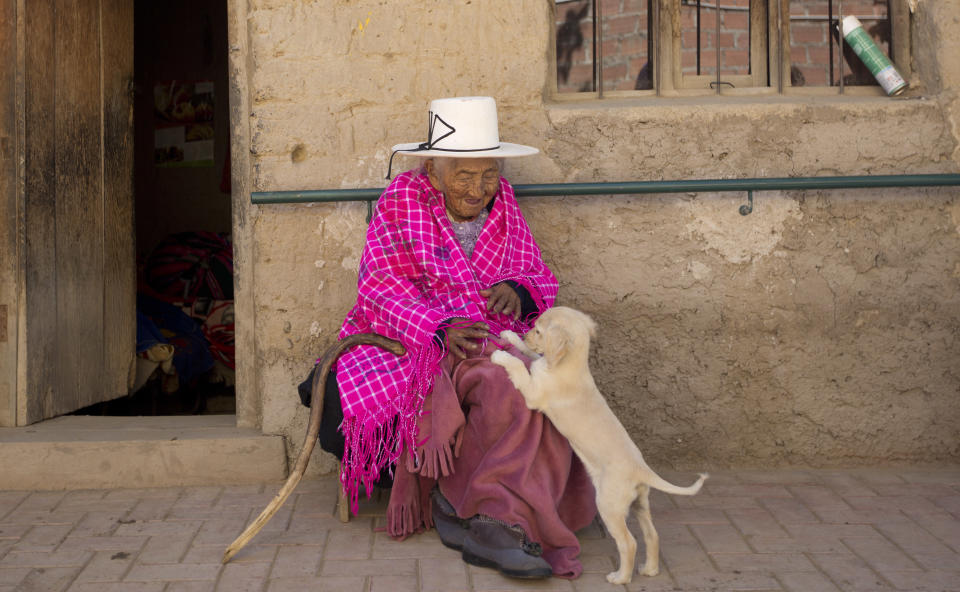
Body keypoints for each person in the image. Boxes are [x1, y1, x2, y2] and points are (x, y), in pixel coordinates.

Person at [326, 96, 596, 579]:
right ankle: (492, 516)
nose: (478, 190)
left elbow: (537, 272)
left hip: (491, 334)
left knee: (548, 381)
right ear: (433, 168)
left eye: (488, 174)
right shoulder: (401, 201)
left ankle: (510, 508)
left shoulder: (505, 202)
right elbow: (378, 284)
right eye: (464, 176)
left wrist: (518, 290)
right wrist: (437, 328)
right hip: (419, 337)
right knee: (503, 385)